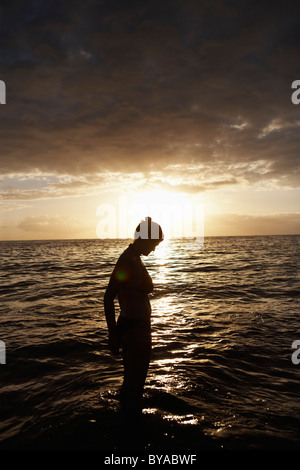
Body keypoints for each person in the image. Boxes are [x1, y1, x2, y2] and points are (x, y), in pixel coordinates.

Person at [104, 216, 164, 419]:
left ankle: (124, 422)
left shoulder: (134, 258)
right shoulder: (127, 260)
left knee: (132, 382)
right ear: (144, 238)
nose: (155, 249)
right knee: (135, 384)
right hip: (132, 329)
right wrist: (113, 334)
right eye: (154, 243)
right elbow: (108, 297)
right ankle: (131, 430)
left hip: (137, 329)